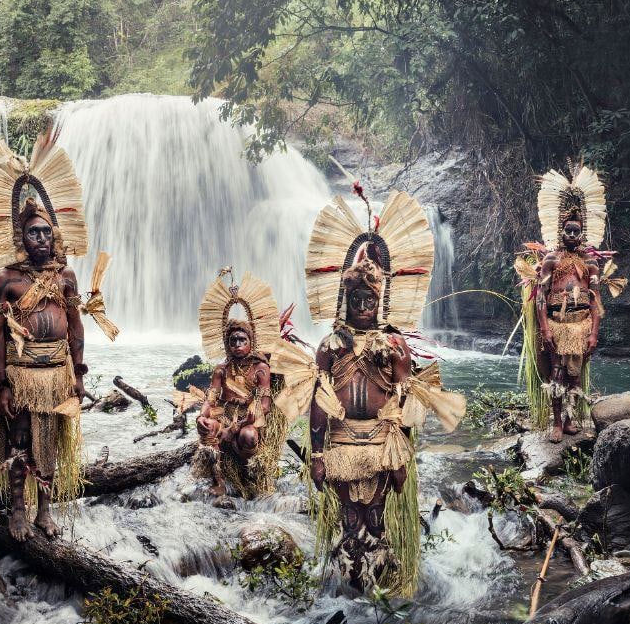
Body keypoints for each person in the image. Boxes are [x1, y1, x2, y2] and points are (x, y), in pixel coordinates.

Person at [280, 190, 464, 595]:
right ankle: (350, 576)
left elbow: (406, 396)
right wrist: (316, 455)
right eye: (357, 299)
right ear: (344, 300)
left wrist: (404, 455)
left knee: (376, 516)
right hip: (343, 442)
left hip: (381, 443)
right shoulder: (331, 345)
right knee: (350, 515)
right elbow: (318, 402)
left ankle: (379, 574)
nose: (363, 306)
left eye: (370, 300)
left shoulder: (394, 345)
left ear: (381, 302)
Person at [0, 131, 116, 541]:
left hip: (56, 372)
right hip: (22, 375)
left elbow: (75, 326)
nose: (39, 239)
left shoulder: (66, 277)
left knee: (52, 444)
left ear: (55, 234)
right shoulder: (6, 279)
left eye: (45, 232)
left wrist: (78, 374)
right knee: (19, 442)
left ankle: (46, 511)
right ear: (19, 237)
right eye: (32, 233)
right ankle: (17, 511)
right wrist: (2, 382)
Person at [516, 166, 624, 441]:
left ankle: (568, 419)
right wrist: (545, 328)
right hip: (557, 323)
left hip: (582, 325)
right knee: (556, 372)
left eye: (577, 232)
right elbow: (541, 296)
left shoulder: (591, 263)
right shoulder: (551, 260)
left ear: (582, 232)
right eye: (568, 231)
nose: (573, 236)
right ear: (561, 231)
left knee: (575, 376)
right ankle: (555, 422)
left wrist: (594, 332)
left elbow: (596, 298)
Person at [193, 271, 287, 502]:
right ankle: (219, 482)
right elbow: (211, 399)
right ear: (227, 344)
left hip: (249, 417)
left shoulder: (260, 369)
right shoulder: (221, 369)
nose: (237, 345)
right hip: (224, 414)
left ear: (251, 342)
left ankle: (247, 476)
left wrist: (238, 427)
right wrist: (202, 416)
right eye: (232, 341)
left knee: (247, 437)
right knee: (207, 428)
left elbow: (264, 405)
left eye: (242, 340)